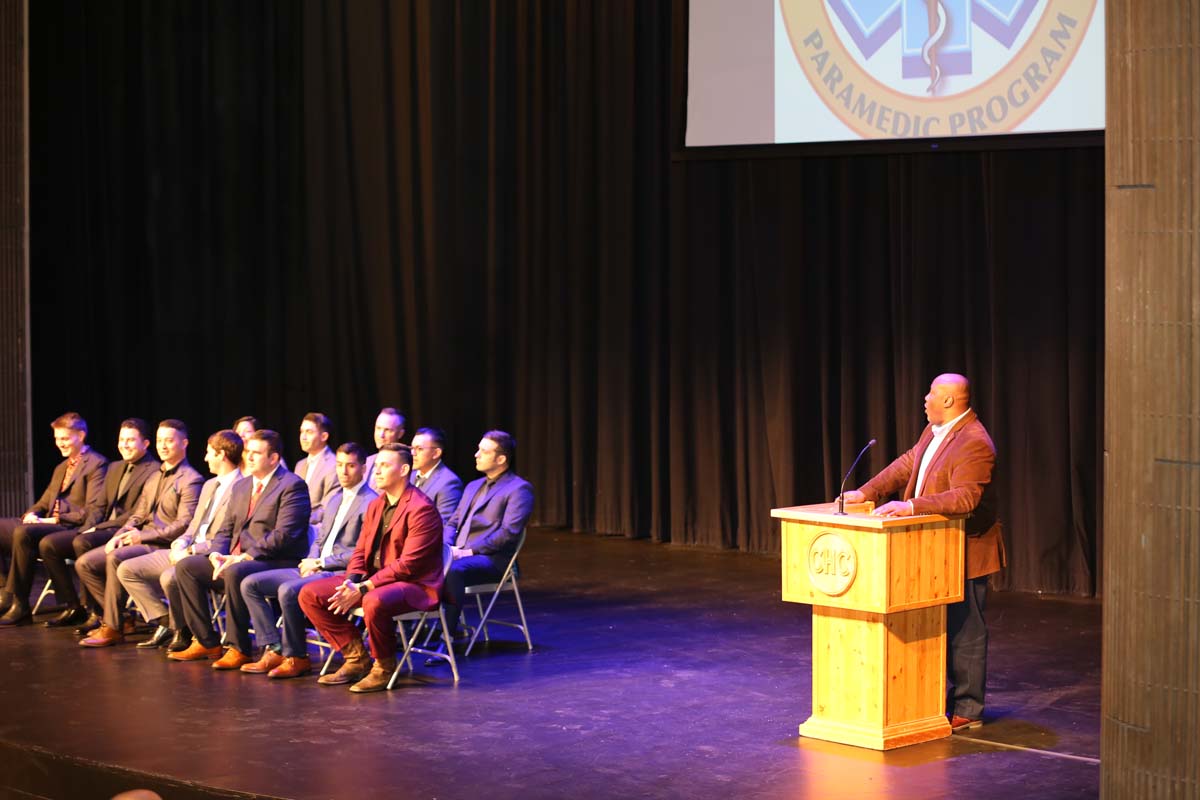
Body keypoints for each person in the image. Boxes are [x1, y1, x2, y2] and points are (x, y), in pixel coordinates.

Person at [840, 373, 1005, 732]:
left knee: (966, 629)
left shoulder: (975, 442)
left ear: (949, 400)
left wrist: (911, 506)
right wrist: (868, 492)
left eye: (931, 393)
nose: (924, 398)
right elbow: (908, 462)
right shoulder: (934, 430)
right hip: (931, 549)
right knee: (936, 628)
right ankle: (933, 698)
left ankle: (968, 708)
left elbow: (966, 498)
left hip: (965, 549)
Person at [298, 443, 442, 692]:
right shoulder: (376, 504)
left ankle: (384, 668)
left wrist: (363, 587)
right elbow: (361, 550)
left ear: (404, 469)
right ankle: (356, 659)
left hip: (415, 584)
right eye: (377, 465)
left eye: (385, 465)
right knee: (309, 594)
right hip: (374, 580)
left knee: (373, 600)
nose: (377, 470)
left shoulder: (421, 508)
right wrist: (351, 581)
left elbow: (409, 564)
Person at [168, 430, 310, 667]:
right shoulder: (242, 486)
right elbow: (226, 529)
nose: (249, 457)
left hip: (277, 560)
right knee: (187, 567)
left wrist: (245, 556)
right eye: (248, 452)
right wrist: (216, 555)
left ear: (273, 458)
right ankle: (207, 640)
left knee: (235, 571)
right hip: (239, 560)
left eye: (256, 453)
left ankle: (239, 647)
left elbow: (284, 536)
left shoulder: (292, 485)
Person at [238, 442, 377, 679]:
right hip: (315, 566)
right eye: (340, 465)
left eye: (350, 466)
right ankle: (275, 648)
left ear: (363, 468)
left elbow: (360, 553)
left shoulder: (370, 502)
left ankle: (297, 657)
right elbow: (320, 539)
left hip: (341, 572)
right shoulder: (334, 499)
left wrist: (321, 564)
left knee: (287, 591)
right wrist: (310, 561)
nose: (343, 472)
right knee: (250, 584)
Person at [76, 420, 203, 647]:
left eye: (169, 440)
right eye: (160, 440)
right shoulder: (155, 475)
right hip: (141, 539)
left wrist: (140, 537)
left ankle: (113, 627)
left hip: (163, 544)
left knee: (115, 558)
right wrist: (121, 534)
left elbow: (184, 524)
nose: (163, 446)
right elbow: (138, 514)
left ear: (184, 443)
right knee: (85, 563)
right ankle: (159, 618)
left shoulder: (191, 479)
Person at [117, 429, 246, 651]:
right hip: (186, 550)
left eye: (209, 453)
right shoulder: (209, 485)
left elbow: (225, 536)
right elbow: (194, 525)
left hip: (210, 556)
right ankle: (167, 622)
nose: (205, 458)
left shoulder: (241, 488)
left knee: (170, 577)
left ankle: (185, 632)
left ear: (222, 455)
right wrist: (181, 543)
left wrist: (191, 551)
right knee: (127, 569)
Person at [41, 418, 159, 629]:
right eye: (121, 439)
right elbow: (98, 506)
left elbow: (137, 514)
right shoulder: (114, 467)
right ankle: (76, 606)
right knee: (49, 544)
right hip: (100, 528)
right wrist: (88, 527)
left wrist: (96, 529)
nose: (124, 444)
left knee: (82, 543)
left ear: (146, 444)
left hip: (125, 530)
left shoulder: (154, 470)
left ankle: (97, 612)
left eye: (131, 440)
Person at [0, 413, 108, 626]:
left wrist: (52, 520)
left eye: (65, 438)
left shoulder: (97, 464)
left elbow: (91, 511)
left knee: (24, 533)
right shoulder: (61, 467)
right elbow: (43, 502)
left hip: (70, 527)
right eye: (57, 439)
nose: (60, 444)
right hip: (46, 525)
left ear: (81, 435)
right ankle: (5, 592)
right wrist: (32, 514)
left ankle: (19, 603)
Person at [440, 431, 534, 641]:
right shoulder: (473, 486)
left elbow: (508, 533)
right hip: (459, 554)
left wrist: (468, 552)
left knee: (452, 571)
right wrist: (447, 548)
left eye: (483, 451)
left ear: (501, 459)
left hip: (493, 560)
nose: (476, 454)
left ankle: (447, 635)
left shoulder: (519, 489)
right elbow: (453, 522)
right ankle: (410, 630)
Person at [410, 427, 463, 523]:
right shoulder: (409, 476)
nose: (413, 453)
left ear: (436, 453)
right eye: (412, 448)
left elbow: (443, 524)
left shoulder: (449, 483)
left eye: (419, 449)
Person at [294, 412, 339, 525]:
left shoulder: (334, 464)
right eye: (301, 431)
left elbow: (327, 507)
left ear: (324, 436)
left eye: (309, 432)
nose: (303, 437)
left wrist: (298, 522)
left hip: (316, 530)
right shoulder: (300, 465)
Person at [362, 407, 405, 481]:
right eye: (378, 428)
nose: (381, 435)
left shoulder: (403, 465)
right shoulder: (367, 461)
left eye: (387, 430)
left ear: (400, 434)